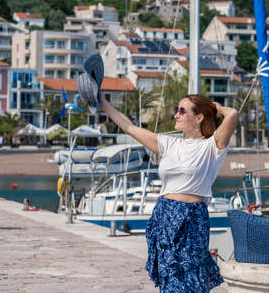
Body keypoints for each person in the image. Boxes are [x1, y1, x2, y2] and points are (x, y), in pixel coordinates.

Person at [101, 94, 238, 292]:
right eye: (177, 110)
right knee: (170, 278)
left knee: (191, 278)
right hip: (165, 215)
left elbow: (232, 114)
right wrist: (103, 102)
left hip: (192, 218)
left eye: (182, 111)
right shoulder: (169, 144)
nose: (176, 115)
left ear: (199, 118)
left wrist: (216, 107)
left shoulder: (212, 146)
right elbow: (128, 127)